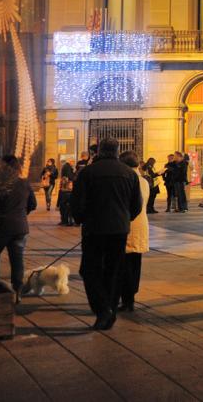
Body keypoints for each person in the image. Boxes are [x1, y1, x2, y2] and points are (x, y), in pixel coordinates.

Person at [71, 137, 143, 330]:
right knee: (113, 271)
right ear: (117, 151)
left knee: (89, 269)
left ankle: (103, 310)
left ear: (100, 151)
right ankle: (109, 308)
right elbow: (136, 205)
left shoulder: (88, 173)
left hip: (94, 229)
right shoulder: (129, 174)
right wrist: (124, 219)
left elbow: (76, 203)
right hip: (119, 230)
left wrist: (81, 219)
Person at [0, 155, 36, 300]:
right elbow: (33, 204)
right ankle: (18, 291)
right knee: (17, 261)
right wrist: (21, 213)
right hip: (20, 227)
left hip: (0, 227)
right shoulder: (24, 183)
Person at [116, 150, 149, 312]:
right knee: (135, 265)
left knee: (125, 266)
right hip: (140, 227)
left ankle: (126, 299)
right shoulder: (143, 181)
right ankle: (130, 298)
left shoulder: (129, 180)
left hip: (128, 227)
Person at [57, 161, 76, 226]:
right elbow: (70, 177)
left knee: (64, 206)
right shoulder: (68, 168)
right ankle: (67, 221)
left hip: (64, 190)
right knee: (67, 206)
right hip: (67, 190)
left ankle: (65, 220)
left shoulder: (65, 167)